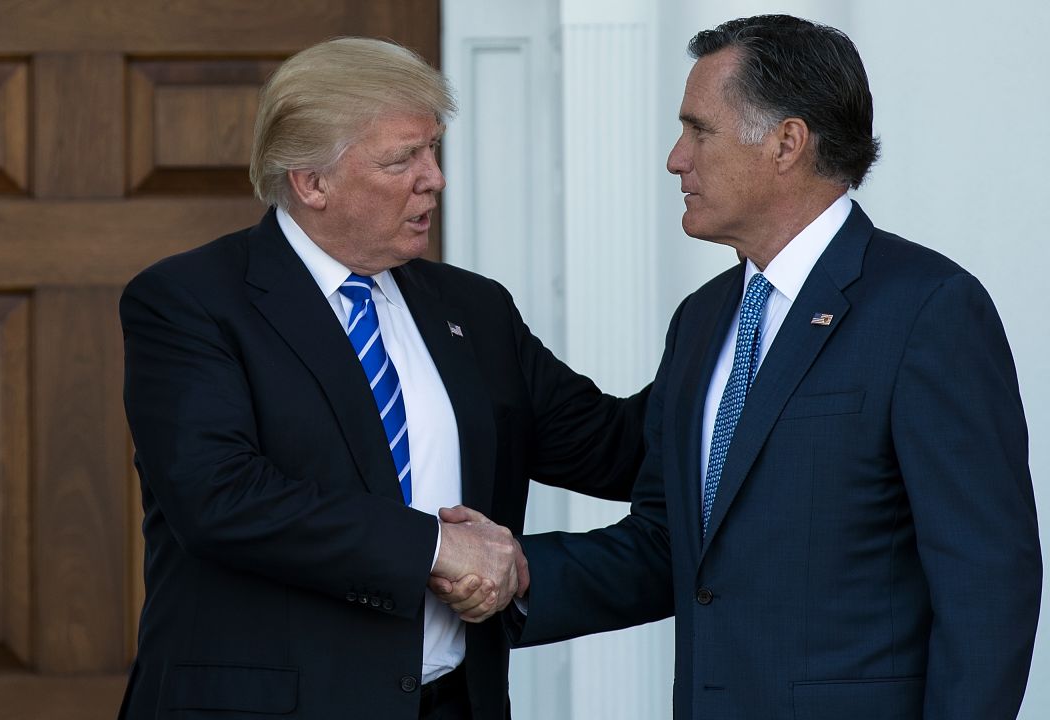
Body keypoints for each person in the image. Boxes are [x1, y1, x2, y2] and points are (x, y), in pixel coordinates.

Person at [442, 14, 1041, 720]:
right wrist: (510, 574)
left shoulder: (927, 309)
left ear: (787, 143)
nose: (675, 157)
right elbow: (670, 544)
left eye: (699, 130)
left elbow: (986, 582)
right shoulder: (704, 319)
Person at [116, 37, 648, 720]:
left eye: (434, 150)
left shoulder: (471, 308)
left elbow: (615, 449)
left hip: (452, 702)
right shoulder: (191, 300)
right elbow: (219, 498)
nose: (435, 178)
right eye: (403, 159)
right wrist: (435, 546)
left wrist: (742, 321)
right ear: (312, 182)